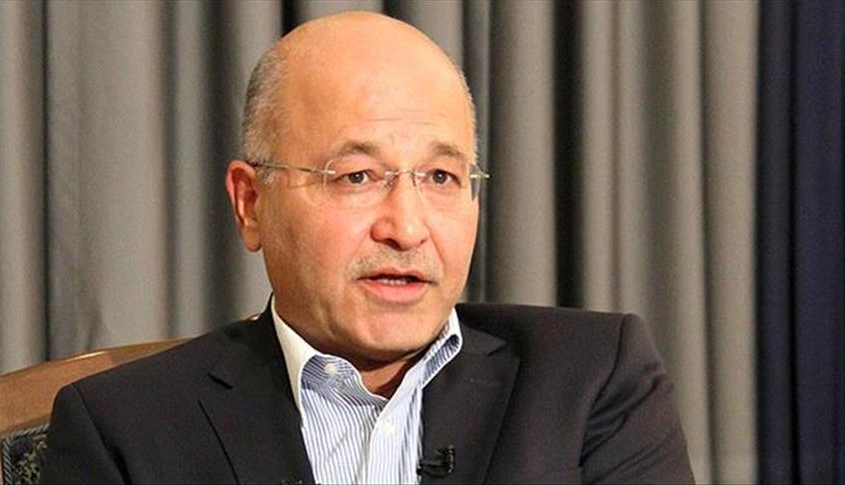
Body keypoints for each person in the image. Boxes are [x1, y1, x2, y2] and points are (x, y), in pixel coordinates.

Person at [42, 11, 694, 484]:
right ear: (251, 203)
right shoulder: (123, 429)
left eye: (440, 177)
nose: (406, 228)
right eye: (357, 176)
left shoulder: (591, 379)